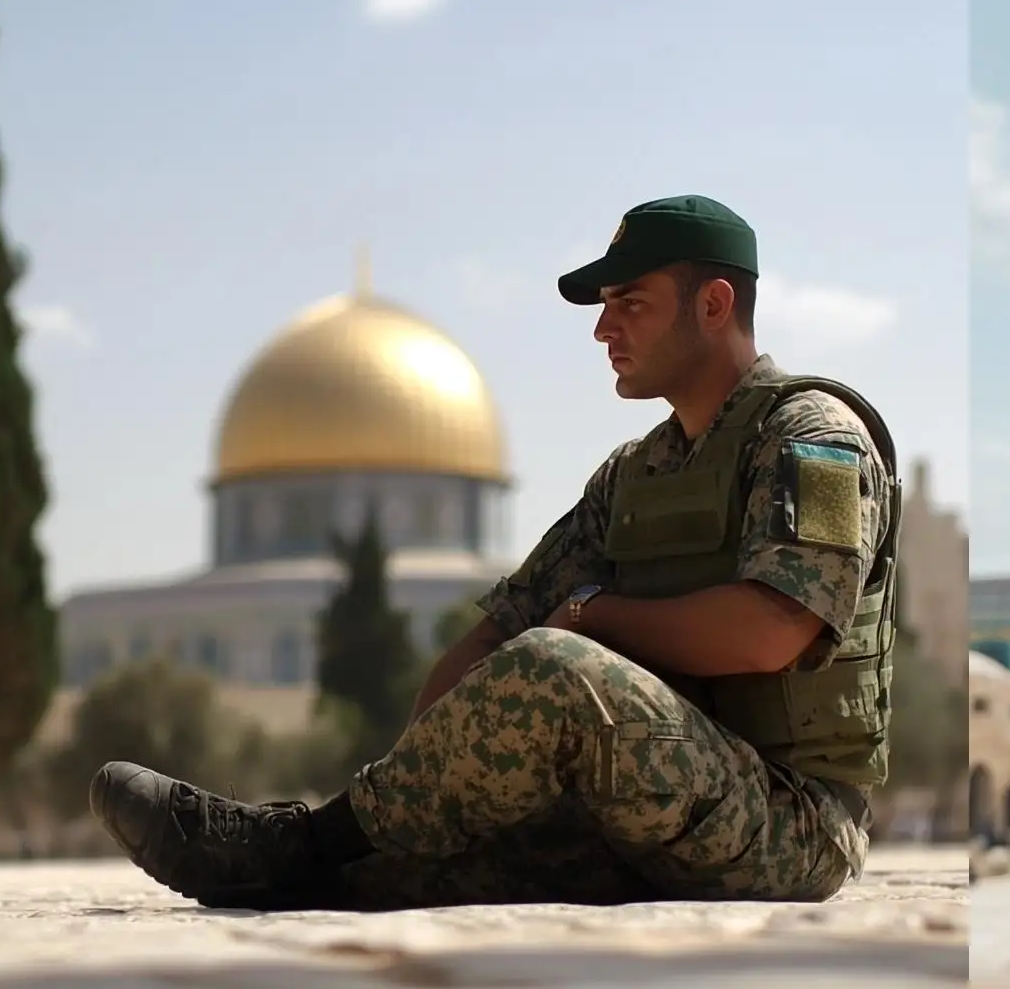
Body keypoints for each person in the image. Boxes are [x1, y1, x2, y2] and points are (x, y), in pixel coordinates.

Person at [90, 194, 900, 912]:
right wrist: (420, 789)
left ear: (715, 304)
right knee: (385, 878)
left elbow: (771, 631)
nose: (603, 327)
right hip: (655, 798)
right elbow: (495, 634)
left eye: (631, 302)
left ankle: (289, 838)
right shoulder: (633, 476)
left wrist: (596, 618)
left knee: (556, 659)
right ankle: (289, 861)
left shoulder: (814, 440)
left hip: (789, 822)